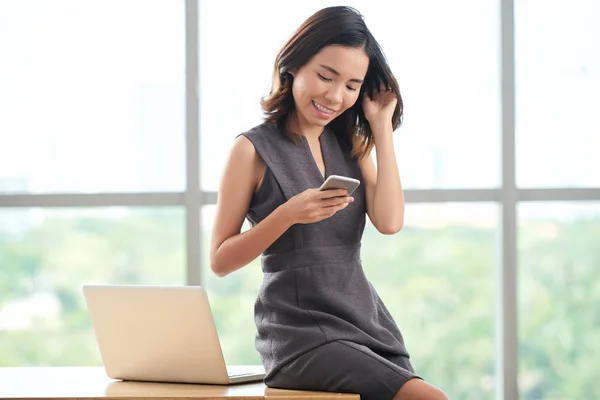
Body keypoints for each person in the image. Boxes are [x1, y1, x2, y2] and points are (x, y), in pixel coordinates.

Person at [209, 6, 448, 400]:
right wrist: (287, 214)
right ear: (293, 65)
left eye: (352, 85)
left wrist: (381, 128)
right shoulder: (251, 150)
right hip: (298, 333)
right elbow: (220, 260)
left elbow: (389, 222)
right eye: (325, 76)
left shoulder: (351, 144)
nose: (336, 96)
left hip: (363, 321)